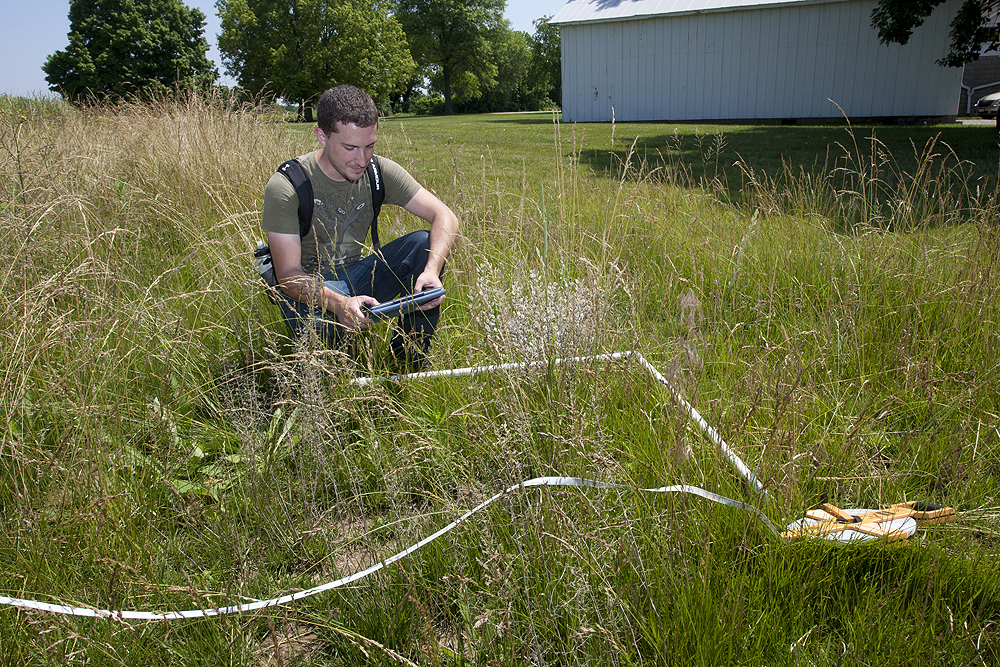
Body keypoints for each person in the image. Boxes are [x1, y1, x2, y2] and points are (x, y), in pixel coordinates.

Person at [262, 85, 459, 368]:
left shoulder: (378, 171)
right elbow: (289, 278)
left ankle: (409, 360)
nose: (361, 159)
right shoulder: (288, 185)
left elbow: (445, 216)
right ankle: (332, 364)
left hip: (358, 274)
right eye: (350, 147)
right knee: (325, 341)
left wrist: (431, 271)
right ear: (321, 136)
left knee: (423, 244)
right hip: (311, 286)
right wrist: (340, 303)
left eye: (370, 146)